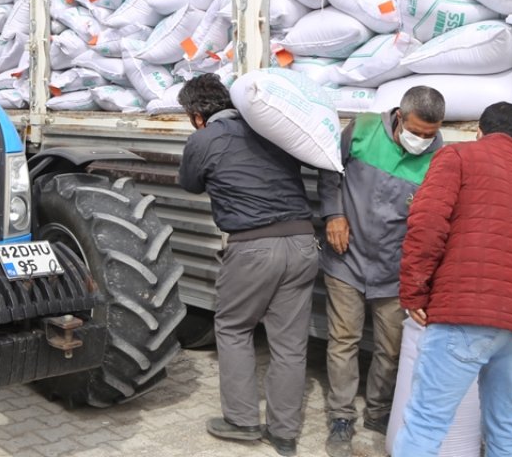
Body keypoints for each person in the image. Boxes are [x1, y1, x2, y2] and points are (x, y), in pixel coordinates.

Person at [393, 101, 512, 456]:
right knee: (504, 422)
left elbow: (427, 224)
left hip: (467, 310)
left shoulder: (459, 157)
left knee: (426, 421)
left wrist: (414, 293)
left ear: (479, 131)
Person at [178, 74, 319, 457]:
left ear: (196, 115)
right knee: (289, 342)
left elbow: (190, 184)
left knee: (233, 327)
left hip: (255, 247)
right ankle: (285, 434)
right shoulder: (269, 129)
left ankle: (241, 422)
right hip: (304, 242)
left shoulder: (203, 139)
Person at [316, 86, 445, 456]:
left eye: (430, 134)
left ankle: (378, 412)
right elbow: (329, 171)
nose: (422, 140)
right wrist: (333, 213)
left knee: (390, 349)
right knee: (344, 341)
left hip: (395, 269)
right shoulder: (362, 129)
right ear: (400, 117)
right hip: (347, 258)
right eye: (417, 131)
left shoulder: (441, 157)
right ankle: (341, 418)